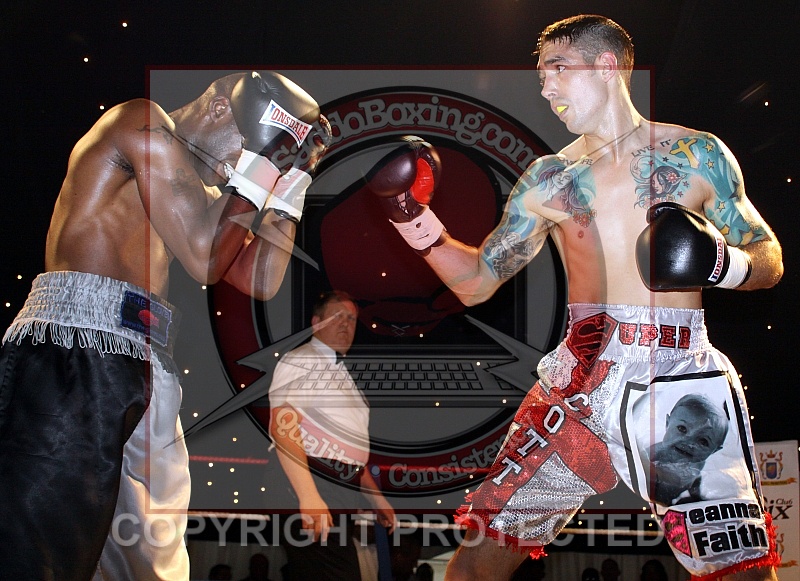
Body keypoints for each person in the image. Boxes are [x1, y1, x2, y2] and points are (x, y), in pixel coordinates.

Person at [366, 14, 782, 581]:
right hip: (581, 378)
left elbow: (768, 258)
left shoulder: (696, 154)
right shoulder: (549, 179)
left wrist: (721, 263)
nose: (546, 88)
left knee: (740, 570)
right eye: (541, 76)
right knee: (483, 553)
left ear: (607, 65)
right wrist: (409, 214)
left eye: (558, 68)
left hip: (677, 376)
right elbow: (477, 280)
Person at [0, 70, 330, 580]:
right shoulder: (141, 122)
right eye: (247, 147)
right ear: (220, 108)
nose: (239, 169)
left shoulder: (197, 193)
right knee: (44, 547)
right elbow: (205, 259)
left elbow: (259, 278)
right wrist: (263, 162)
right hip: (74, 349)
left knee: (151, 561)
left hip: (148, 363)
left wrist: (291, 185)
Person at [268, 290, 396, 581]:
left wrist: (376, 499)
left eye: (351, 318)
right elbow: (282, 427)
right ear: (316, 323)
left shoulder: (344, 377)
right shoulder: (303, 360)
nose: (345, 324)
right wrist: (308, 495)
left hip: (337, 487)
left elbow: (351, 453)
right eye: (337, 316)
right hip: (310, 479)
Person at [646, 393, 729, 505]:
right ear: (667, 423)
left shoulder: (698, 464)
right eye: (682, 429)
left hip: (672, 497)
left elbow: (696, 478)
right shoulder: (654, 454)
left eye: (703, 441)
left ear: (714, 450)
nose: (688, 442)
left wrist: (696, 495)